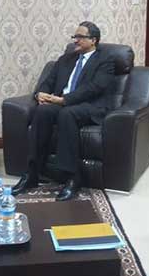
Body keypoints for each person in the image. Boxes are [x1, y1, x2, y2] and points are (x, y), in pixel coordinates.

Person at [12, 21, 115, 201]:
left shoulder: (105, 60)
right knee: (42, 112)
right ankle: (32, 173)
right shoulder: (65, 59)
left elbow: (95, 88)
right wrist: (40, 94)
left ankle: (72, 177)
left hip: (90, 105)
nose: (75, 40)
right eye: (75, 36)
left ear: (93, 40)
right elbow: (48, 81)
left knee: (67, 113)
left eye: (80, 37)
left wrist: (65, 100)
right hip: (62, 102)